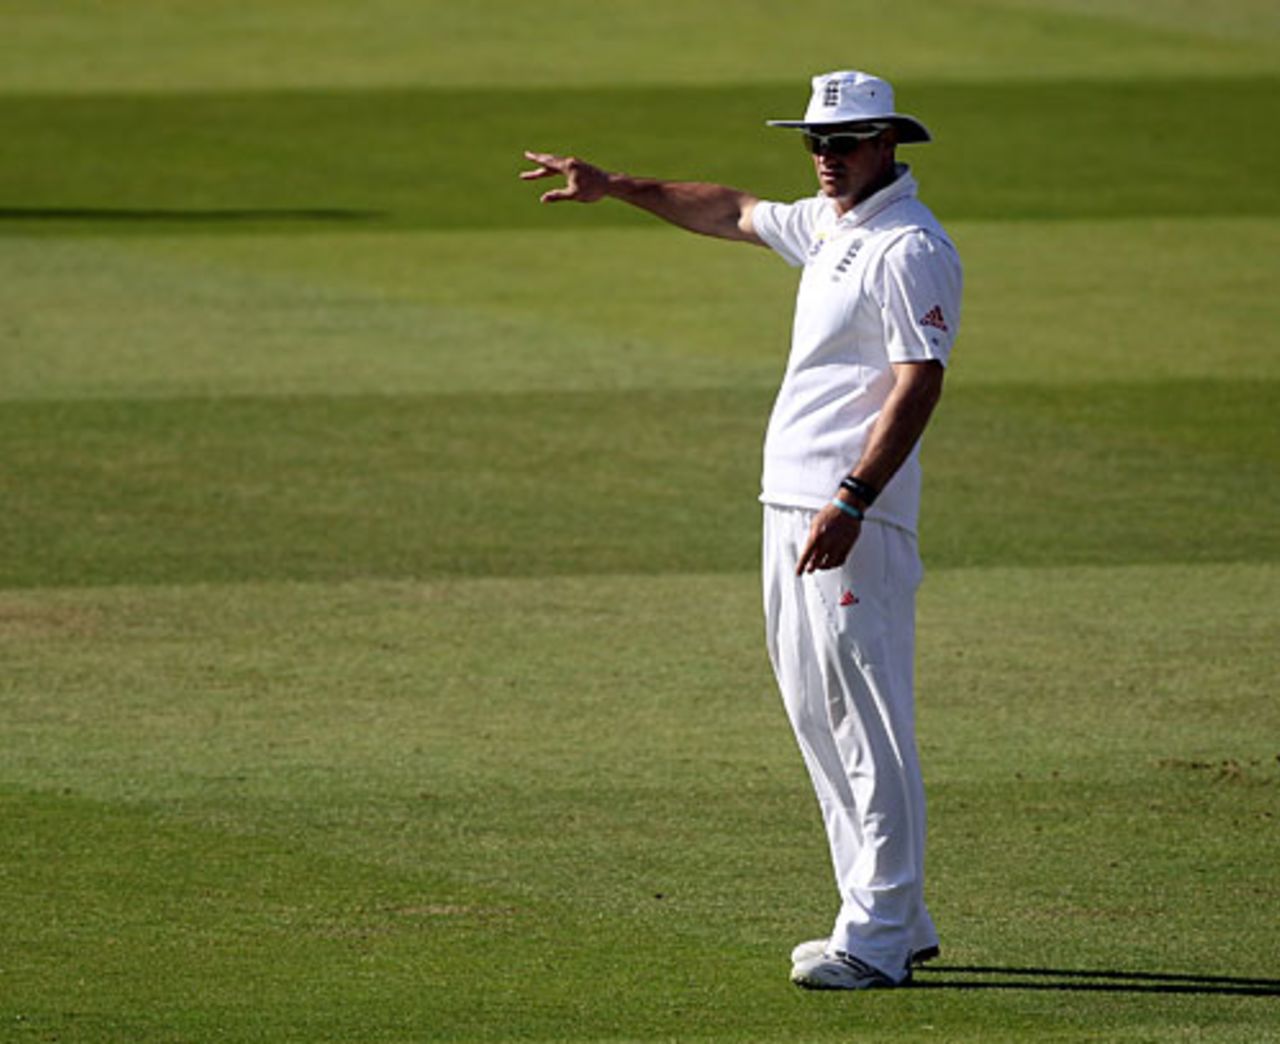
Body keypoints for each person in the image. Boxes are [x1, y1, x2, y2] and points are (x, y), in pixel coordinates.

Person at [520, 69, 962, 991]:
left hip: (851, 514)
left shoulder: (909, 247)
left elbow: (920, 381)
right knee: (815, 711)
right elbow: (734, 210)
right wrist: (618, 188)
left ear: (889, 144)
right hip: (791, 504)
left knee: (863, 718)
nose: (826, 159)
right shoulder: (835, 226)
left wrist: (852, 500)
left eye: (843, 144)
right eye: (815, 143)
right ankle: (889, 914)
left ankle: (878, 937)